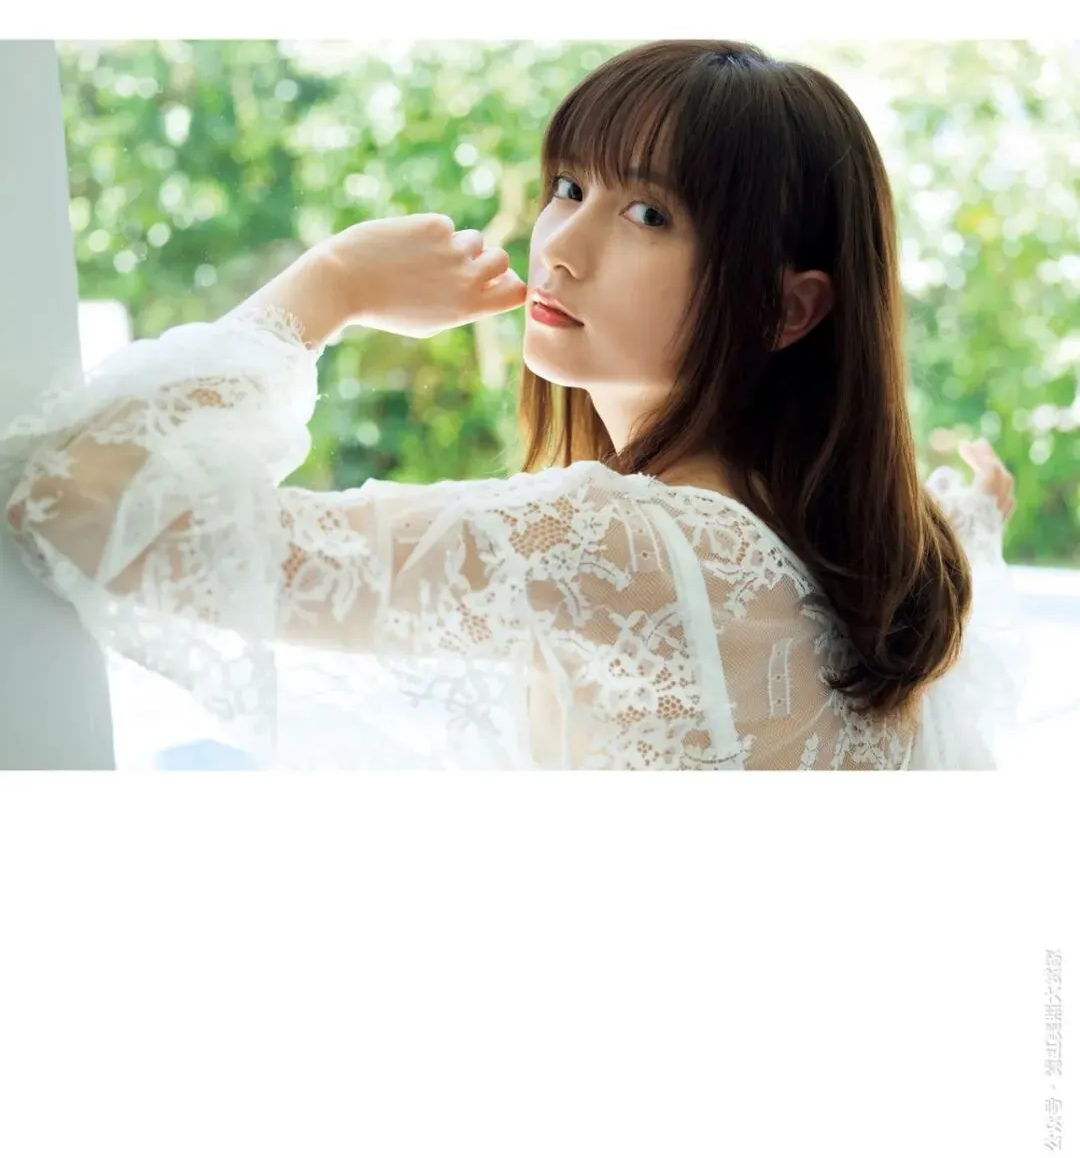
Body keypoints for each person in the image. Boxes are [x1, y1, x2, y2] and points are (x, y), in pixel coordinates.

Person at [0, 40, 1028, 768]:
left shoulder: (622, 544)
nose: (562, 247)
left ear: (786, 308)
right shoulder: (881, 558)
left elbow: (69, 499)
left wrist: (332, 285)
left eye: (648, 212)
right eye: (568, 187)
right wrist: (974, 510)